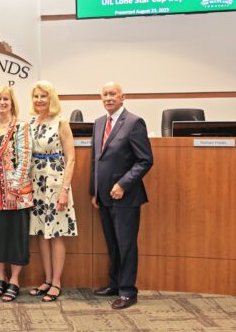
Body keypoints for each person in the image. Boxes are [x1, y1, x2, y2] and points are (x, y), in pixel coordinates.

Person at [90, 81, 153, 310]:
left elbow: (145, 160)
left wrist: (123, 184)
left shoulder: (134, 122)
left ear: (122, 97)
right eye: (105, 94)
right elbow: (94, 160)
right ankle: (115, 284)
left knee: (126, 245)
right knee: (113, 244)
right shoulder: (98, 123)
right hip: (103, 197)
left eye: (113, 94)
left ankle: (128, 291)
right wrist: (94, 191)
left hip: (125, 197)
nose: (108, 98)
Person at [0, 86, 33, 302]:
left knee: (15, 238)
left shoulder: (21, 127)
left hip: (13, 195)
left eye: (5, 99)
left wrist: (14, 188)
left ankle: (15, 280)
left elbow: (25, 159)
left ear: (12, 103)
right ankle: (1, 278)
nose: (1, 103)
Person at [27, 80, 78, 302]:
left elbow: (71, 158)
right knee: (41, 232)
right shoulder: (31, 122)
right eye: (36, 96)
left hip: (56, 184)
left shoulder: (61, 122)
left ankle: (56, 282)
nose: (39, 100)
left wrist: (64, 190)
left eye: (43, 96)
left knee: (56, 233)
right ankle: (47, 279)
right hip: (36, 184)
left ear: (51, 98)